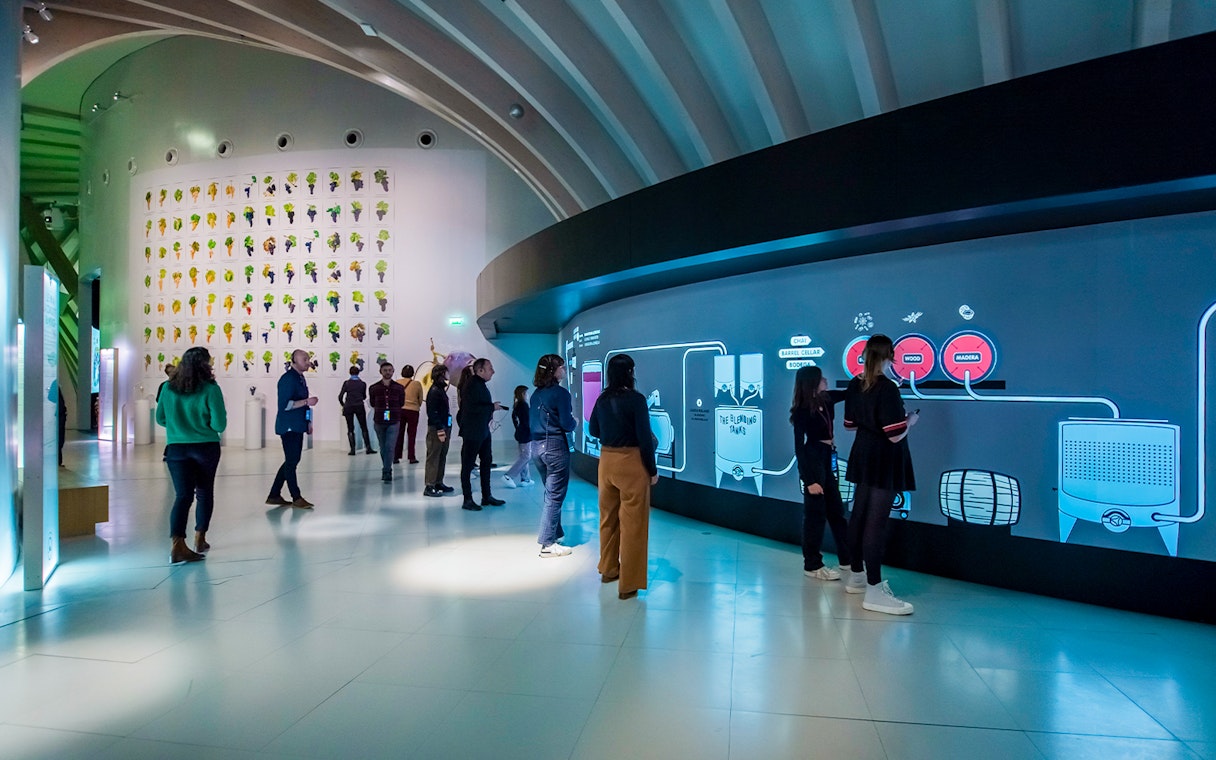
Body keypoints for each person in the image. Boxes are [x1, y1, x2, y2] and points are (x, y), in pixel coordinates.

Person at [842, 334, 918, 615]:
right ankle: (874, 590)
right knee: (875, 523)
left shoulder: (855, 383)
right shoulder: (887, 388)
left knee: (859, 516)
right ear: (890, 356)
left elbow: (849, 425)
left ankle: (857, 575)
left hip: (862, 454)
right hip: (884, 459)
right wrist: (910, 421)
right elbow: (895, 434)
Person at [588, 353, 657, 597]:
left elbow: (593, 429)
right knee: (634, 525)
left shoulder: (602, 398)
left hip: (606, 462)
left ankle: (608, 569)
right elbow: (645, 438)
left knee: (608, 518)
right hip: (631, 463)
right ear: (631, 372)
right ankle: (629, 584)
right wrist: (652, 470)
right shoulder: (636, 400)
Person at [154, 347, 227, 564]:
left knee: (182, 496)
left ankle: (177, 545)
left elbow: (160, 418)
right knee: (204, 493)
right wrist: (201, 426)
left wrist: (179, 427)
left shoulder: (168, 388)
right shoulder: (211, 389)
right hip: (206, 447)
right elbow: (219, 424)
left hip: (176, 448)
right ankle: (200, 539)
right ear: (205, 364)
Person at [791, 365, 853, 581]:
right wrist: (809, 480)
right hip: (814, 459)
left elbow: (848, 392)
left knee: (836, 511)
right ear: (812, 383)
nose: (826, 380)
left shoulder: (826, 400)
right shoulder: (801, 411)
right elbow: (799, 448)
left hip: (827, 457)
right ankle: (812, 564)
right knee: (815, 516)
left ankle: (848, 559)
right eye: (821, 378)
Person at [531, 354, 578, 557]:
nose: (565, 371)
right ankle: (547, 544)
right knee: (555, 495)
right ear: (554, 370)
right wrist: (575, 421)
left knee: (550, 493)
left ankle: (555, 533)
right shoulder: (561, 394)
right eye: (562, 367)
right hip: (555, 448)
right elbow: (567, 424)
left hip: (537, 448)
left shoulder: (535, 395)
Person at [267, 348, 318, 509]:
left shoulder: (300, 378)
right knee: (292, 461)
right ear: (294, 361)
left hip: (297, 425)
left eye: (308, 359)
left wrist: (308, 422)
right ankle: (296, 496)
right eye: (304, 359)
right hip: (289, 426)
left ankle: (274, 494)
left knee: (292, 460)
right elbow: (285, 405)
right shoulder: (288, 379)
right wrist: (306, 402)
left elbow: (303, 404)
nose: (308, 362)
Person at [457, 358, 506, 510]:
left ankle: (487, 495)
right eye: (490, 368)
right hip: (473, 432)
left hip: (482, 430)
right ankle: (467, 499)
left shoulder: (479, 384)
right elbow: (472, 408)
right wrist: (492, 407)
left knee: (486, 462)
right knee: (467, 465)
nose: (493, 371)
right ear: (480, 370)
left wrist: (491, 407)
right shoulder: (472, 385)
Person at [368, 360, 406, 482]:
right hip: (379, 420)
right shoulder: (373, 388)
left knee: (390, 446)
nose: (388, 372)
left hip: (394, 420)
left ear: (393, 371)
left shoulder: (399, 388)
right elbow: (373, 403)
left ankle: (387, 471)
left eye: (390, 370)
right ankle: (386, 467)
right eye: (385, 370)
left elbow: (402, 403)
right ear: (380, 372)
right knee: (383, 447)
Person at [423, 364, 455, 497]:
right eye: (447, 372)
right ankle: (429, 485)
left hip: (443, 426)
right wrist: (439, 427)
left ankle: (438, 481)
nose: (449, 375)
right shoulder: (435, 390)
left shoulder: (440, 389)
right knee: (434, 456)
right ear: (441, 374)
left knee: (442, 455)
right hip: (438, 428)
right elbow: (432, 412)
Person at [501, 385, 534, 488]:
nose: (528, 395)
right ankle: (508, 476)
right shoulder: (523, 406)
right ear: (523, 394)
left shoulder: (516, 406)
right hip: (525, 435)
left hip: (520, 434)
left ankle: (526, 479)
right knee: (526, 456)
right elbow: (528, 422)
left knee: (524, 456)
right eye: (527, 393)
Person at [338, 365, 375, 456]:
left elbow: (340, 397)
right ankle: (368, 448)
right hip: (359, 406)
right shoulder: (362, 384)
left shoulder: (346, 383)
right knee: (364, 427)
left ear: (350, 373)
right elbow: (364, 396)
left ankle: (352, 450)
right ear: (358, 373)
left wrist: (344, 405)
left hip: (348, 406)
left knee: (350, 428)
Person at [395, 364, 423, 464]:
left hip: (400, 410)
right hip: (413, 411)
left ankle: (396, 456)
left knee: (399, 434)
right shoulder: (417, 384)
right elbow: (420, 398)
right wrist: (416, 406)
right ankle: (411, 457)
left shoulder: (397, 383)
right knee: (412, 434)